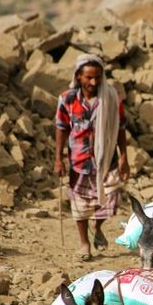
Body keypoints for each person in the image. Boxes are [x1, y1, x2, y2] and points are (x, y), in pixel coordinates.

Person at [54, 54, 129, 261]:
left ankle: (98, 226)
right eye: (88, 78)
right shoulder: (67, 99)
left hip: (107, 160)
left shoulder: (112, 98)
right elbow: (61, 128)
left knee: (110, 199)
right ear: (78, 76)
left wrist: (124, 157)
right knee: (79, 204)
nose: (93, 83)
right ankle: (84, 244)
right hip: (79, 161)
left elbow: (121, 128)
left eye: (97, 78)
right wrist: (58, 158)